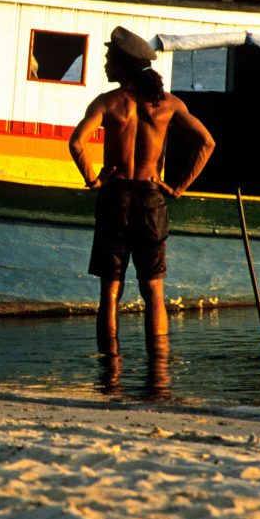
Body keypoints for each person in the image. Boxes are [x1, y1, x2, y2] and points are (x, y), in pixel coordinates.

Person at [69, 26, 215, 357]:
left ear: (124, 64)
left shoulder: (108, 103)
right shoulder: (169, 105)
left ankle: (111, 370)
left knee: (110, 291)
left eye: (109, 59)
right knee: (153, 290)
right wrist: (178, 187)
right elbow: (207, 142)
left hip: (115, 198)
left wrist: (93, 180)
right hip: (151, 200)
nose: (105, 65)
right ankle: (159, 372)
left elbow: (77, 142)